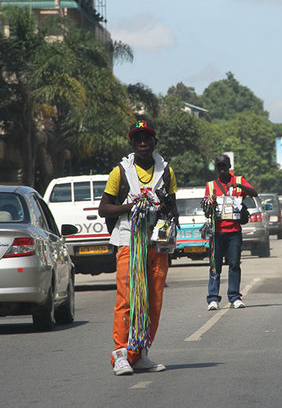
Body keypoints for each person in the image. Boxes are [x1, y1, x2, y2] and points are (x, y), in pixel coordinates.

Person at [99, 119, 177, 376]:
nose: (143, 143)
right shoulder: (120, 172)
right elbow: (104, 209)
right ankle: (121, 354)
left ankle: (140, 352)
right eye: (138, 139)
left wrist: (164, 207)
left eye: (148, 138)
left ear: (155, 142)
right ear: (132, 143)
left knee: (153, 299)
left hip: (157, 243)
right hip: (128, 242)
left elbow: (173, 207)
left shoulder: (166, 171)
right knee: (127, 299)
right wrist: (131, 207)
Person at [205, 154, 257, 311]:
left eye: (224, 167)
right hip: (217, 231)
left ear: (229, 167)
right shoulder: (211, 185)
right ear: (216, 168)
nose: (222, 170)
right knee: (215, 266)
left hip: (234, 231)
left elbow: (254, 193)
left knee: (234, 264)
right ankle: (213, 299)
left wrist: (239, 187)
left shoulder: (239, 181)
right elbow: (206, 210)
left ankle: (234, 297)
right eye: (219, 167)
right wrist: (211, 203)